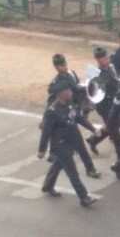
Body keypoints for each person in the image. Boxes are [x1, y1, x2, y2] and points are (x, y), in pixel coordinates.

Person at [38, 80, 97, 208]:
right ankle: (84, 197)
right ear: (61, 93)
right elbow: (46, 132)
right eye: (68, 90)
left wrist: (93, 129)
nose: (71, 92)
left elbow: (79, 118)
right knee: (72, 172)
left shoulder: (69, 104)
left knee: (58, 165)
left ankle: (48, 185)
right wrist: (42, 150)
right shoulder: (52, 111)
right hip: (60, 145)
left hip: (71, 141)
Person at [45, 54, 101, 179]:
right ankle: (49, 182)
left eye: (64, 64)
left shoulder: (71, 75)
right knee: (61, 159)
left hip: (71, 116)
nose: (64, 67)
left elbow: (76, 92)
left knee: (81, 147)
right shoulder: (56, 83)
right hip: (60, 120)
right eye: (60, 66)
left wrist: (86, 93)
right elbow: (51, 97)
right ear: (56, 67)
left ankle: (90, 169)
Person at [85, 47, 120, 160]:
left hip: (115, 102)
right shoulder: (96, 74)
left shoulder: (111, 68)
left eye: (106, 57)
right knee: (115, 131)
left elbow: (116, 80)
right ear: (98, 60)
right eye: (103, 59)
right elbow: (93, 93)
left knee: (113, 126)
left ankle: (94, 140)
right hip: (104, 106)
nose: (106, 60)